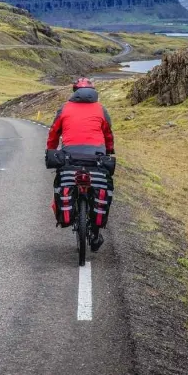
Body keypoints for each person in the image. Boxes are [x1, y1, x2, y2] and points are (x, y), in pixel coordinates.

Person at [46, 77, 114, 251]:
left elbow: (54, 133)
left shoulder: (65, 108)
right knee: (99, 188)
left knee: (64, 182)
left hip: (70, 158)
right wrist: (110, 150)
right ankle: (95, 233)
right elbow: (107, 134)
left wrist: (51, 150)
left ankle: (71, 214)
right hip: (96, 158)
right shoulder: (101, 109)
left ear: (75, 91)